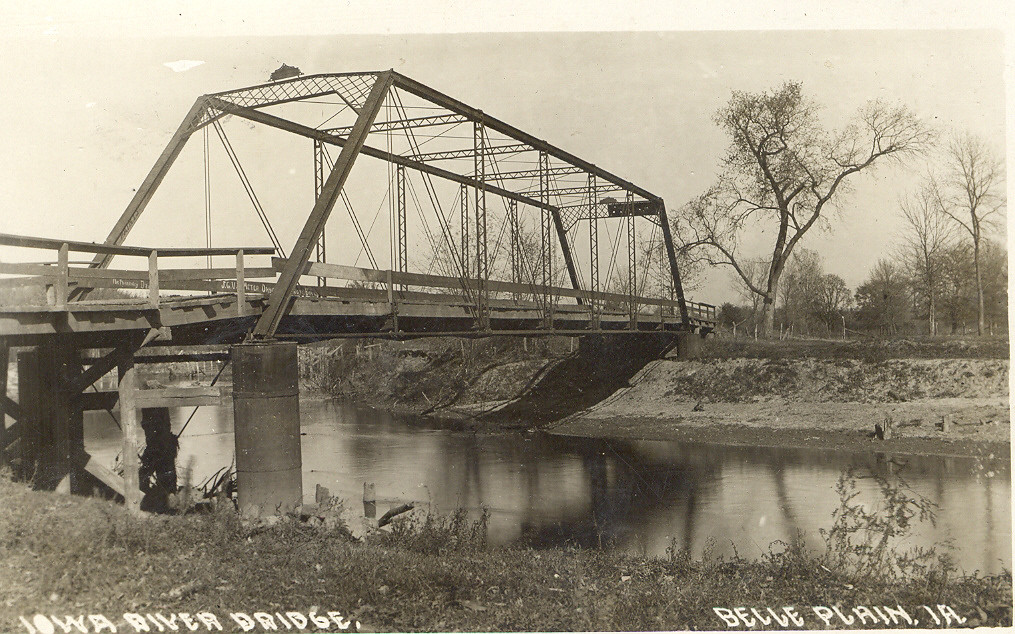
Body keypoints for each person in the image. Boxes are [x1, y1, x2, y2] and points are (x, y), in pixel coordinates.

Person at [139, 408, 179, 513]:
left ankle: (168, 496)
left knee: (165, 457)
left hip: (162, 439)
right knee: (155, 453)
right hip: (156, 439)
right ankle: (159, 498)